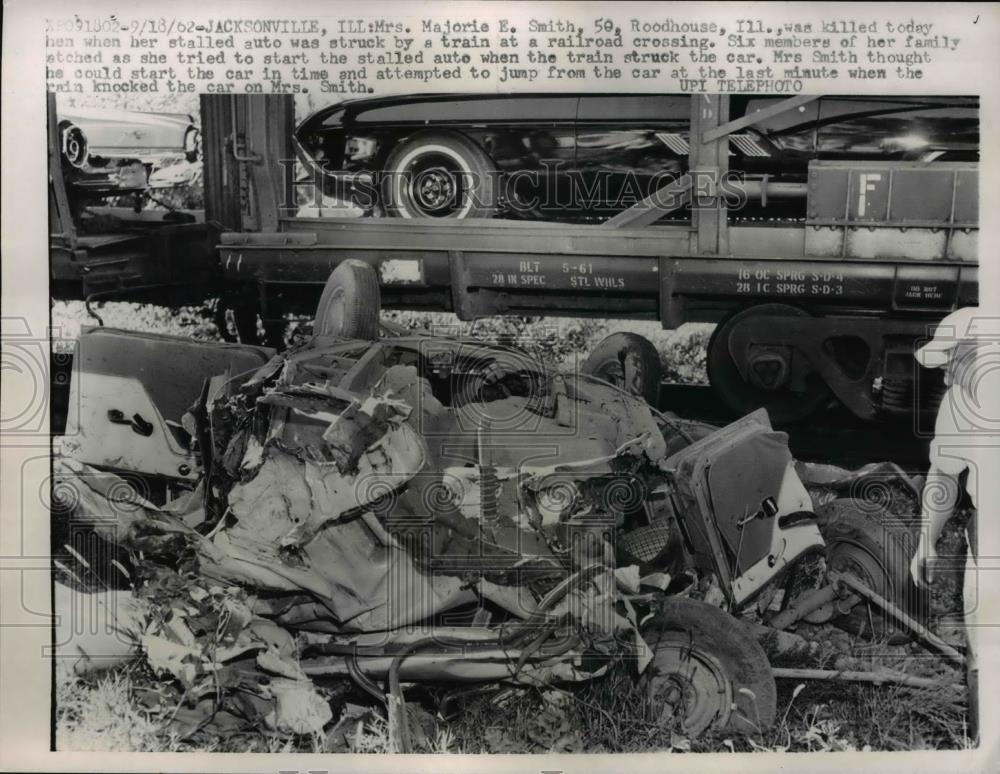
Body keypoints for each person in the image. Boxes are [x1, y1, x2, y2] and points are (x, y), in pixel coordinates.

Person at [909, 305, 996, 742]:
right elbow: (944, 474)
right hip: (986, 543)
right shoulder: (960, 402)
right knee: (983, 653)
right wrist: (926, 540)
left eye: (950, 364)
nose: (944, 378)